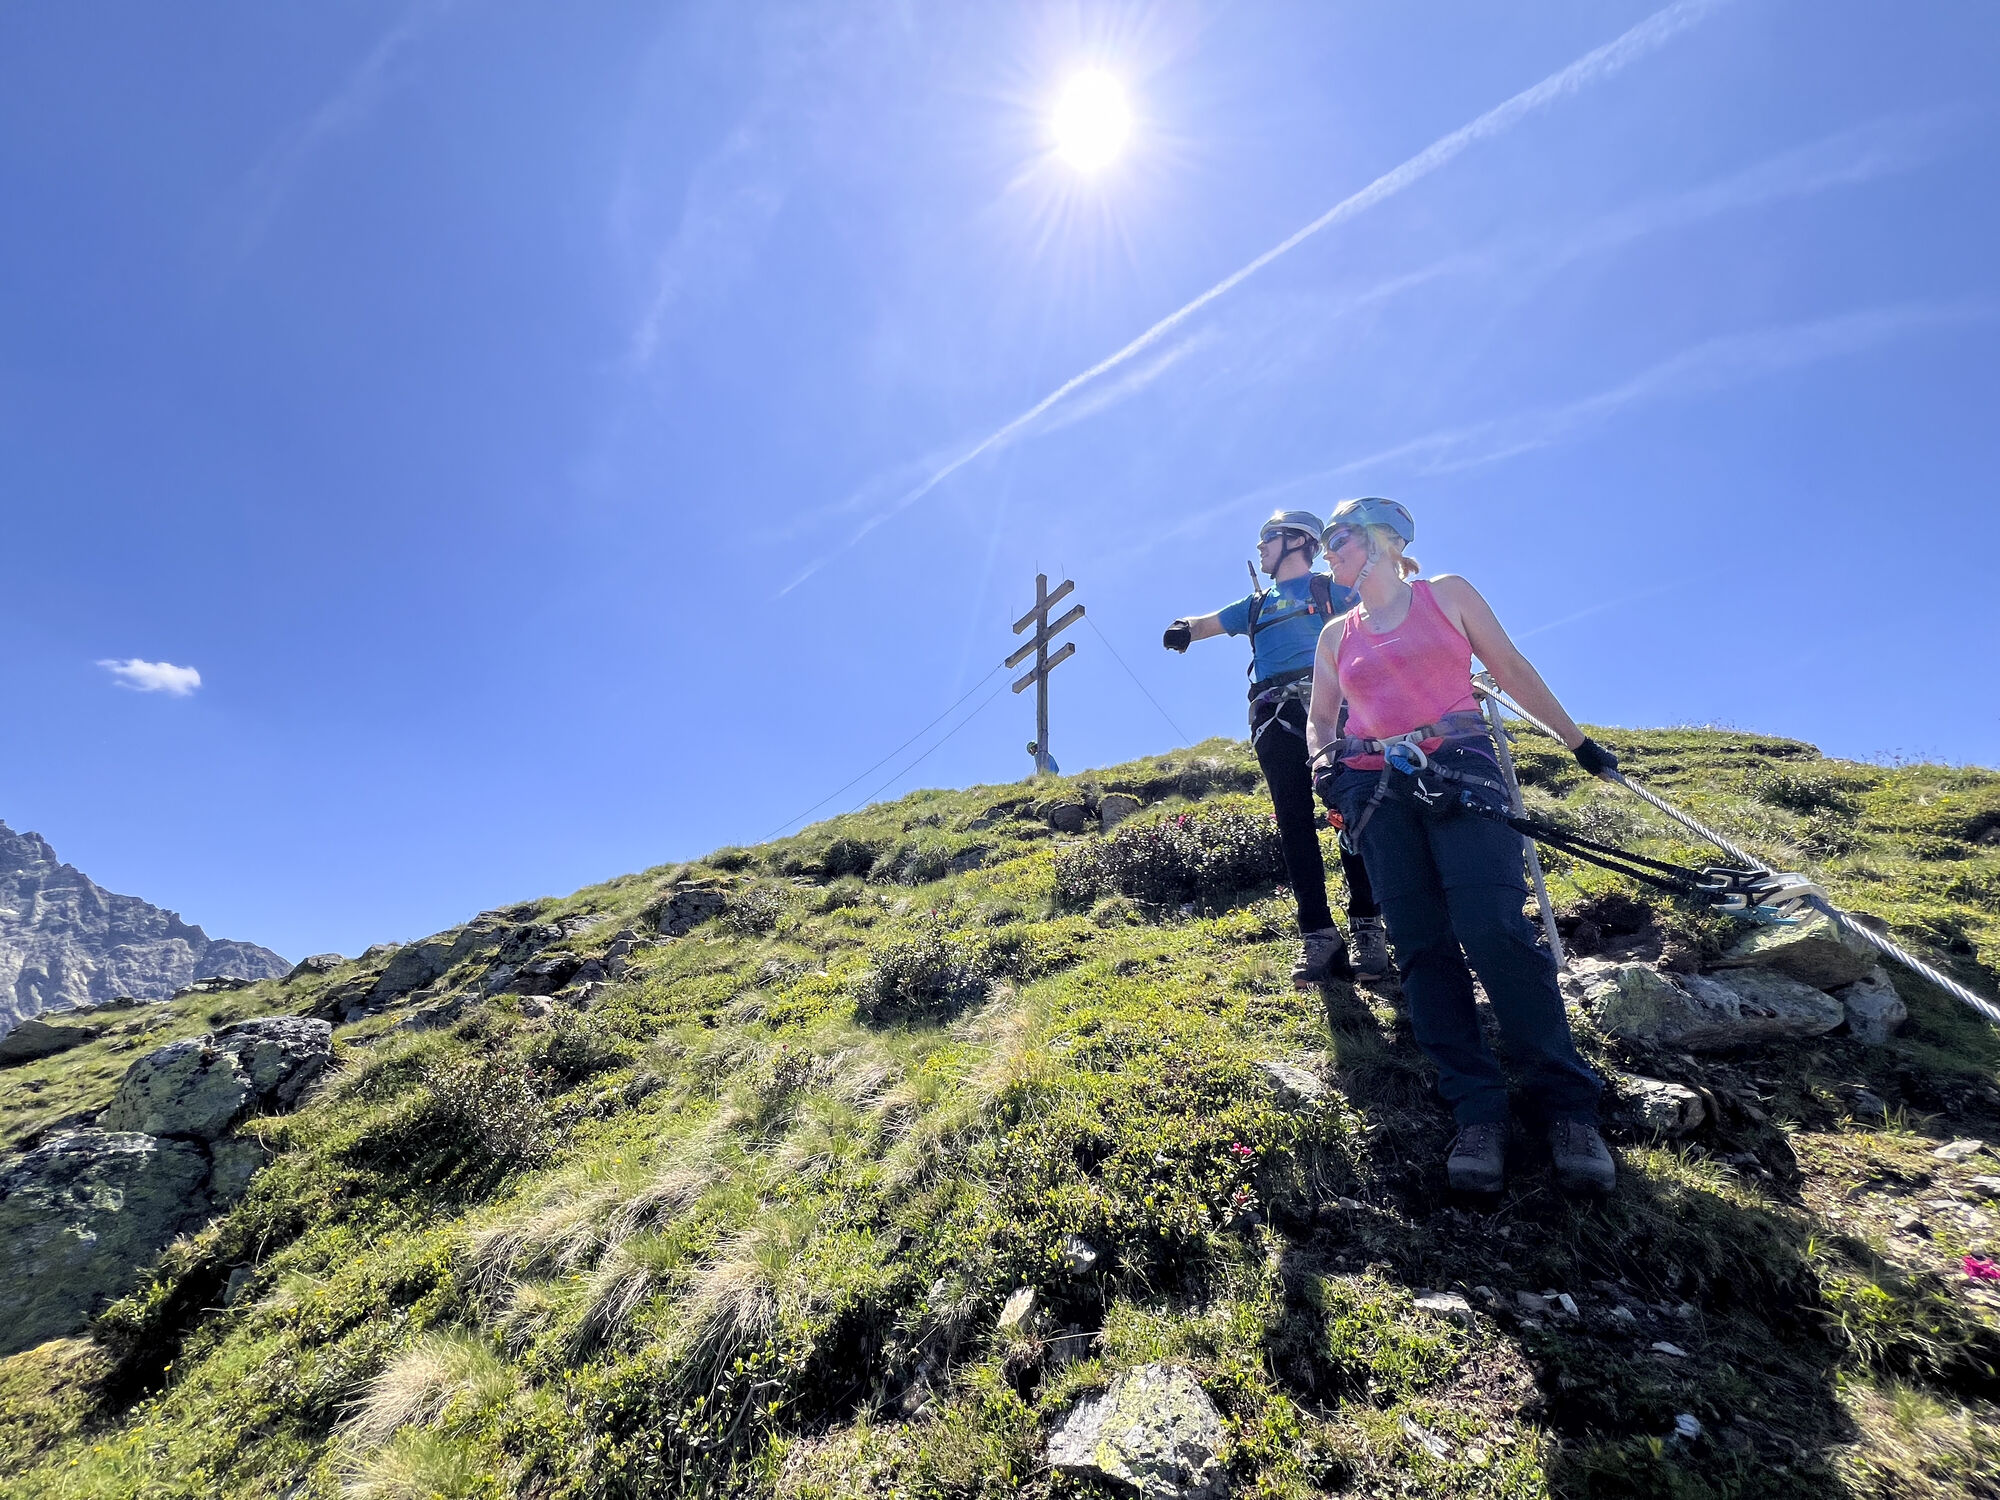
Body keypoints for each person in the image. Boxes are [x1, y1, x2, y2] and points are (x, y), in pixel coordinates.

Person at [1304, 497, 1618, 1195]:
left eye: (1340, 536)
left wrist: (1578, 744)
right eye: (1327, 540)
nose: (1330, 550)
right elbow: (1321, 717)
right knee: (1420, 944)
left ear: (1386, 541)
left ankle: (1568, 1109)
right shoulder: (1334, 635)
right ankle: (1477, 1112)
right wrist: (1324, 767)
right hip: (1377, 792)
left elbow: (1509, 667)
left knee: (1493, 928)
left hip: (1460, 772)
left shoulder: (1445, 595)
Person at [1162, 509, 1389, 987]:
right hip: (1275, 718)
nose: (1261, 548)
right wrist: (1183, 626)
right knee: (1293, 823)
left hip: (1335, 710)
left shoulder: (1332, 589)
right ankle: (1319, 935)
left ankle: (1367, 926)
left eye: (1268, 538)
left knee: (1350, 812)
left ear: (1296, 542)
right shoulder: (1255, 605)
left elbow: (1382, 612)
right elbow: (1204, 623)